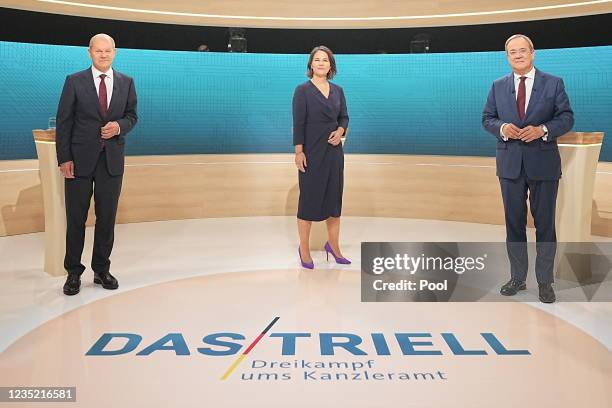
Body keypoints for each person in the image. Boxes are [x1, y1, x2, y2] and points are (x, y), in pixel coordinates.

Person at [482, 34, 574, 303]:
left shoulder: (553, 83)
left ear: (533, 53)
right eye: (513, 52)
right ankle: (518, 278)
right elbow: (487, 118)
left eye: (523, 50)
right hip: (510, 165)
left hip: (543, 163)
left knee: (545, 224)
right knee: (514, 224)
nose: (518, 55)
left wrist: (543, 130)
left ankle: (545, 282)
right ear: (507, 56)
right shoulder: (498, 86)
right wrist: (501, 128)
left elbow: (566, 117)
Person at [56, 33, 138, 295]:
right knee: (76, 219)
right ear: (89, 52)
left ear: (115, 52)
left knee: (106, 219)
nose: (103, 55)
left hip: (111, 162)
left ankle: (101, 270)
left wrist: (119, 126)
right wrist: (64, 158)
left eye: (108, 51)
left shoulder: (127, 82)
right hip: (79, 162)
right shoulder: (74, 81)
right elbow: (64, 122)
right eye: (98, 51)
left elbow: (132, 116)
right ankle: (73, 273)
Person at [292, 45, 350, 269]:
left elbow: (344, 117)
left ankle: (333, 247)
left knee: (334, 202)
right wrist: (299, 151)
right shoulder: (302, 91)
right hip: (311, 154)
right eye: (317, 60)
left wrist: (340, 131)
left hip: (334, 155)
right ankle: (304, 250)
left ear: (330, 65)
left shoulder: (338, 91)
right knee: (308, 202)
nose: (321, 63)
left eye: (325, 60)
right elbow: (298, 123)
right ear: (311, 64)